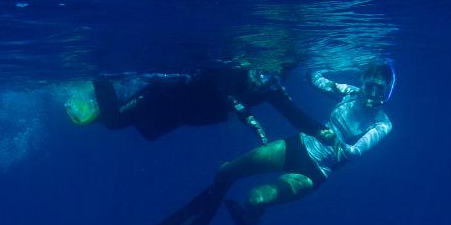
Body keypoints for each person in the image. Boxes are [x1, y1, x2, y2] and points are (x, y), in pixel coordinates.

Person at [144, 61, 394, 225]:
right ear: (362, 83)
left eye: (380, 90)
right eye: (369, 86)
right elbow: (316, 78)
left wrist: (341, 145)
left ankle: (245, 221)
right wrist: (314, 67)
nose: (373, 94)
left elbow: (355, 151)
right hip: (297, 145)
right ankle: (209, 207)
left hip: (315, 171)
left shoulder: (383, 124)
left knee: (256, 199)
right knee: (226, 170)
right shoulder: (349, 92)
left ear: (388, 91)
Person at [66, 67, 328, 146]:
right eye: (260, 74)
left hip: (181, 116)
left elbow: (294, 114)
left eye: (271, 77)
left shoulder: (271, 86)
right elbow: (229, 98)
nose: (263, 81)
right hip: (165, 97)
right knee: (114, 122)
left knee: (146, 132)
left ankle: (99, 102)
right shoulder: (234, 72)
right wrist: (249, 120)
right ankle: (99, 72)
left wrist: (323, 133)